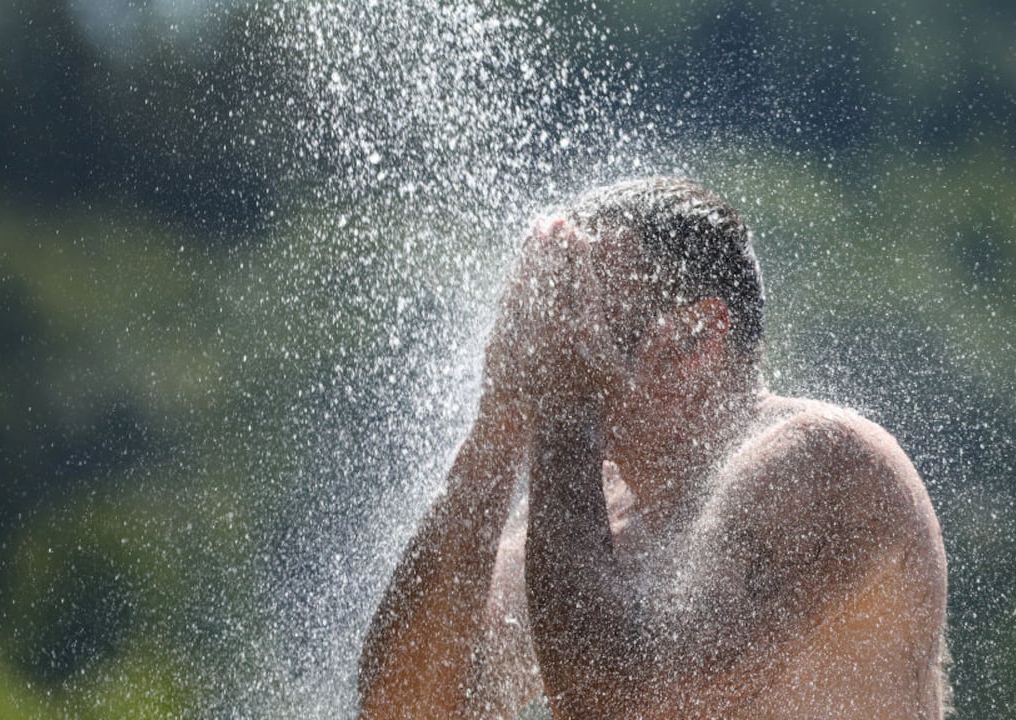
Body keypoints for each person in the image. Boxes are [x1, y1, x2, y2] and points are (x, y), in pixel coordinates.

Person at [356, 177, 949, 719]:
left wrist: (566, 398)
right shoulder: (604, 514)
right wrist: (499, 422)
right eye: (558, 313)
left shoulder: (826, 463)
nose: (560, 339)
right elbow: (401, 706)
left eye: (588, 315)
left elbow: (616, 702)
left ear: (698, 336)